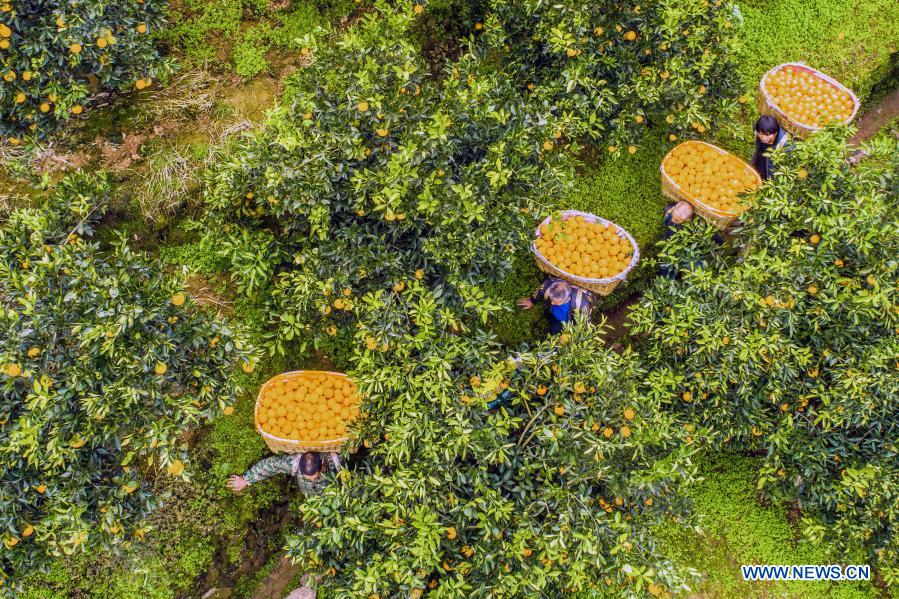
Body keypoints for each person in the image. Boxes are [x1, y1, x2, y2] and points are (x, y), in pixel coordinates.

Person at [227, 451, 341, 496]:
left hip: (336, 494)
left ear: (321, 464)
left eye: (314, 477)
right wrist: (246, 479)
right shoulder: (293, 463)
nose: (312, 479)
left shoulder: (334, 459)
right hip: (311, 497)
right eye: (308, 477)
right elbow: (269, 465)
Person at [517, 278, 593, 335]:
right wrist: (532, 301)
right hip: (555, 318)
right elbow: (540, 291)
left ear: (566, 298)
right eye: (551, 299)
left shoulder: (581, 303)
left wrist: (573, 334)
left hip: (569, 323)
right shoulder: (547, 286)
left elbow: (585, 323)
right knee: (554, 329)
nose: (552, 303)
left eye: (556, 302)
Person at [751, 115, 789, 180]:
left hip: (772, 169)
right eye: (761, 134)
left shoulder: (783, 142)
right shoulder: (757, 129)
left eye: (767, 135)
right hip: (760, 159)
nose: (763, 138)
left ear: (775, 133)